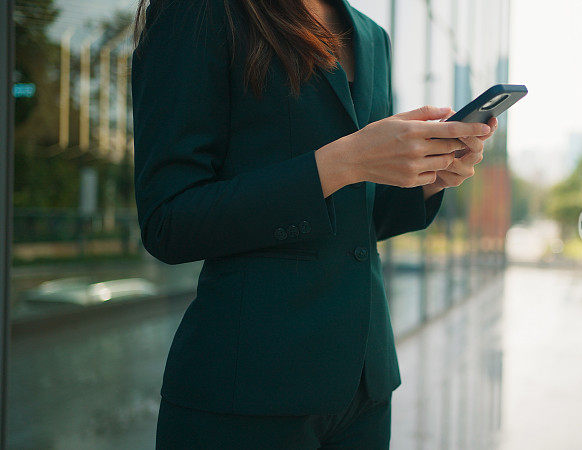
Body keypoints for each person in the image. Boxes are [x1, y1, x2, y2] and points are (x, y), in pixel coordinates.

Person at [131, 0, 497, 447]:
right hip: (248, 394)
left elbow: (355, 220)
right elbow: (168, 220)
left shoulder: (370, 36)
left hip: (364, 388)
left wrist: (429, 179)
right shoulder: (202, 12)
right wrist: (346, 160)